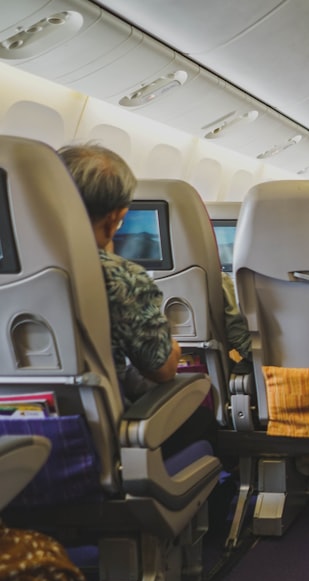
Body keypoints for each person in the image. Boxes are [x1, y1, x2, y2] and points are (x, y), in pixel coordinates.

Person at [58, 143, 216, 456]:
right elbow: (162, 370)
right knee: (200, 420)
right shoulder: (121, 278)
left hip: (18, 435)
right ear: (115, 217)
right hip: (105, 439)